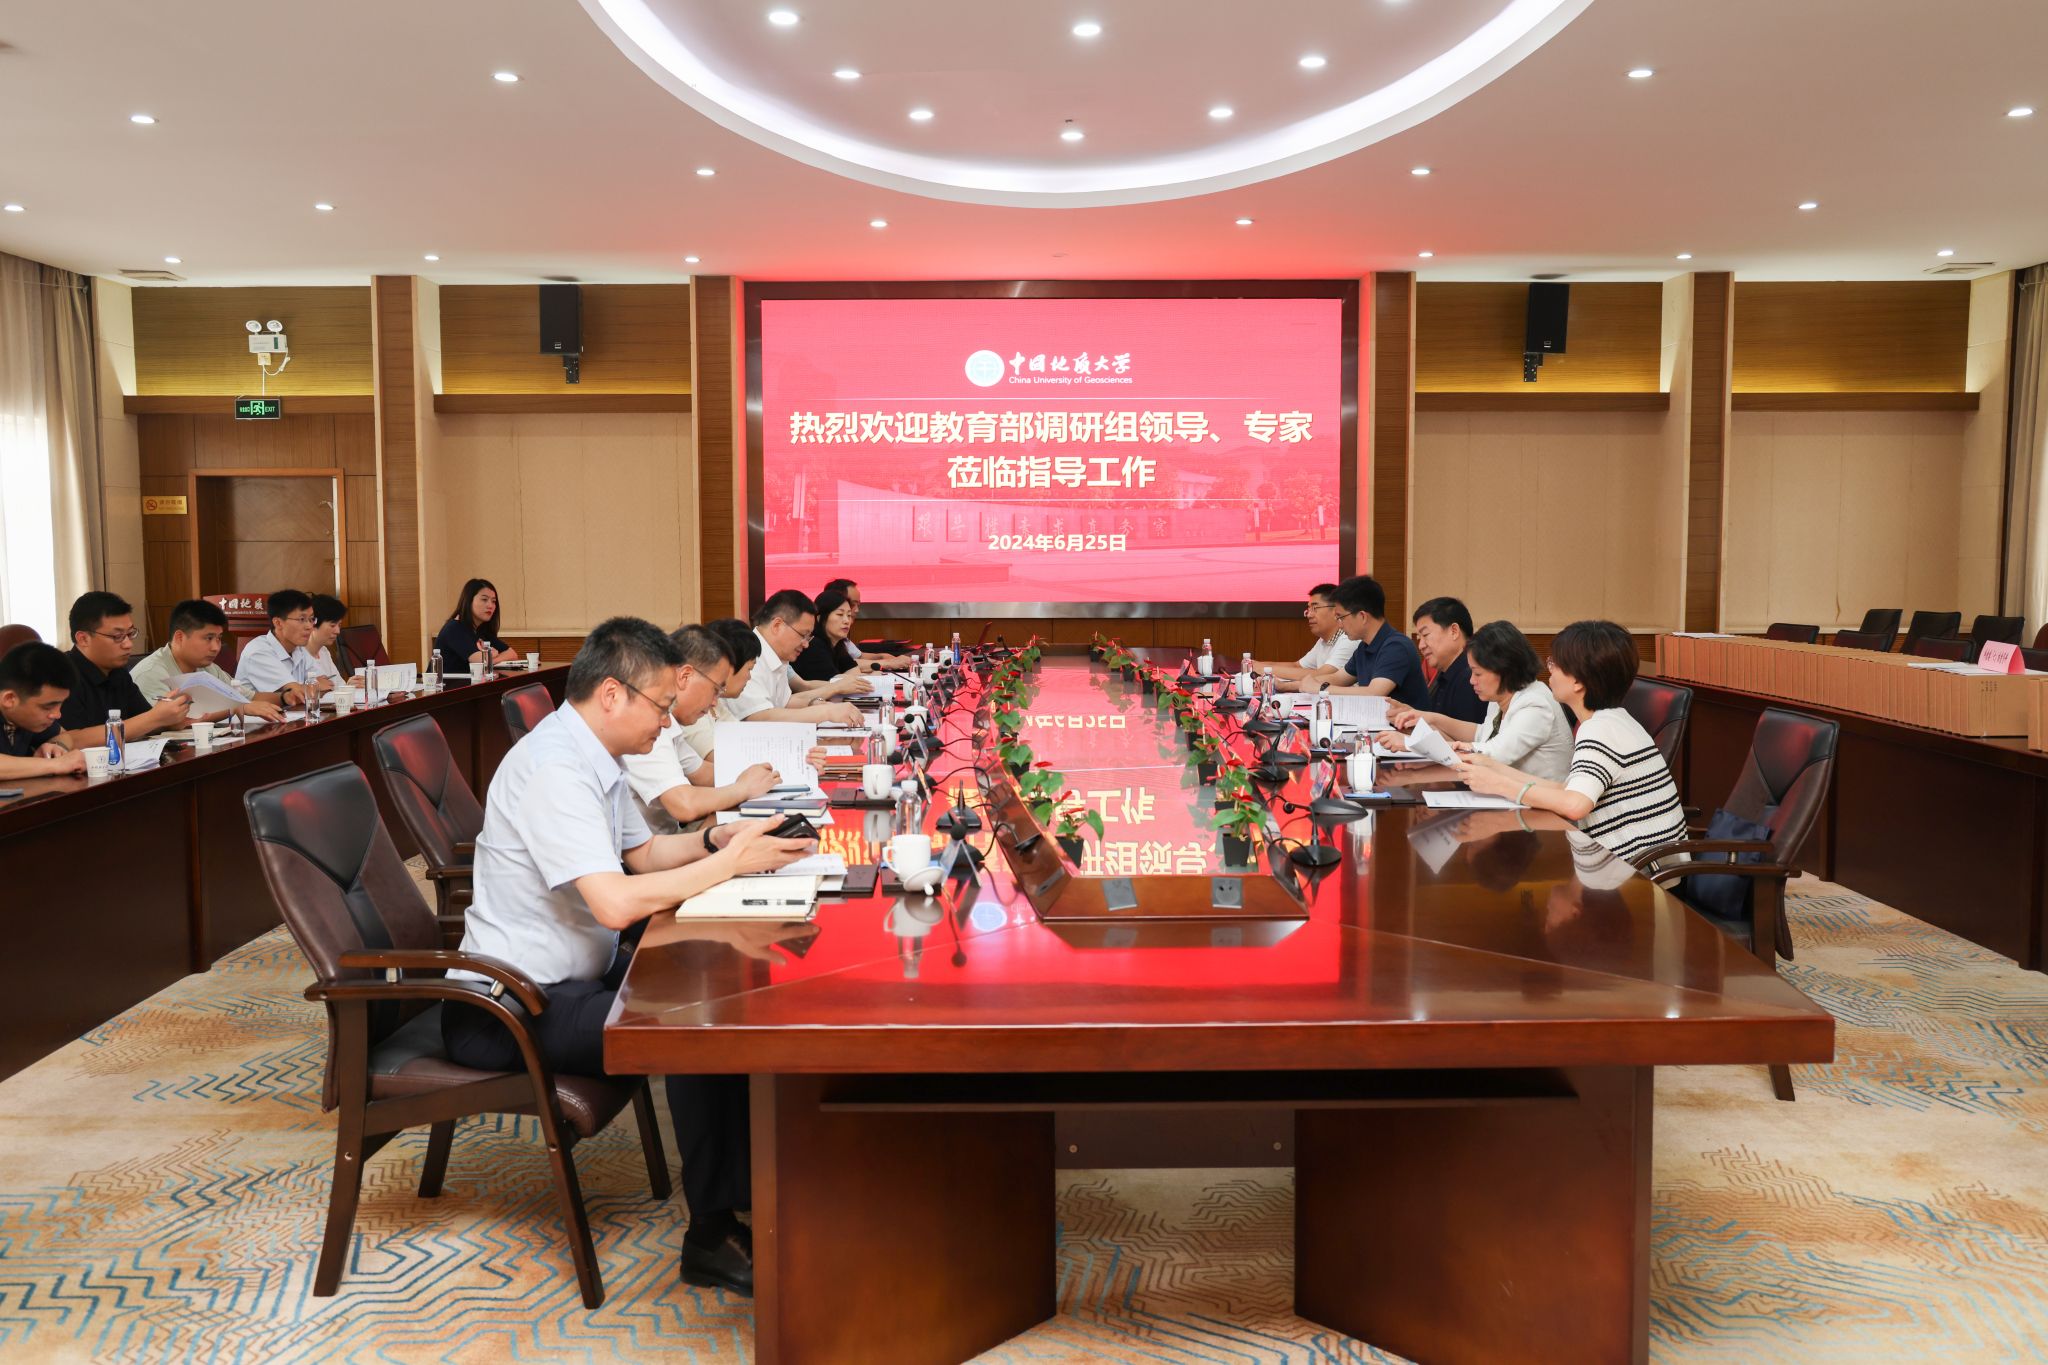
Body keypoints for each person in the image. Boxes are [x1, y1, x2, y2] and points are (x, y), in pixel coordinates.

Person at [441, 616, 817, 1295]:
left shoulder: (593, 754)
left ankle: (748, 1188)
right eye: (661, 706)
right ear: (612, 694)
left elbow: (642, 854)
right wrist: (729, 864)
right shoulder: (555, 768)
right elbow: (615, 903)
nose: (667, 723)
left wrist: (718, 840)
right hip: (507, 1005)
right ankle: (710, 1237)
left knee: (721, 977)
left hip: (571, 974)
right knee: (695, 1027)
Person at [1459, 619, 1687, 869]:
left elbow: (1574, 806)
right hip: (1634, 867)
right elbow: (1566, 790)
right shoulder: (1614, 721)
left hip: (1640, 876)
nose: (1549, 670)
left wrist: (1500, 784)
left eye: (1555, 664)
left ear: (1578, 681)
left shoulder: (1598, 730)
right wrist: (1491, 767)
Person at [622, 624, 779, 834]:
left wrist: (769, 774)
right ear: (685, 676)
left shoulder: (667, 719)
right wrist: (743, 789)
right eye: (715, 689)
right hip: (652, 849)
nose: (715, 702)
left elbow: (702, 774)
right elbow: (684, 805)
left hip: (666, 840)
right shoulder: (645, 720)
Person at [1384, 620, 1573, 781]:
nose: (1472, 680)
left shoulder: (1535, 704)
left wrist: (1411, 743)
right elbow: (1482, 734)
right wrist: (1429, 718)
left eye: (1477, 673)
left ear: (1504, 670)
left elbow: (1491, 754)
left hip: (1543, 808)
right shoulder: (1502, 695)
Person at [58, 591, 191, 746]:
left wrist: (169, 718)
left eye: (130, 634)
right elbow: (69, 740)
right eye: (117, 636)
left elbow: (142, 720)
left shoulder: (118, 672)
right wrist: (155, 718)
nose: (128, 644)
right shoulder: (61, 674)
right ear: (83, 639)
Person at [1283, 575, 1429, 708]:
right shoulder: (1364, 647)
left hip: (1406, 727)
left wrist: (1320, 689)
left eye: (1341, 617)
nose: (1339, 624)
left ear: (1362, 616)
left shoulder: (1396, 646)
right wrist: (1292, 685)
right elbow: (1338, 678)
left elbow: (1374, 693)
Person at [131, 599, 290, 721]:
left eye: (219, 638)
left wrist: (285, 697)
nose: (216, 647)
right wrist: (237, 707)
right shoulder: (151, 673)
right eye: (208, 638)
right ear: (179, 637)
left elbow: (248, 698)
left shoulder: (208, 667)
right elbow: (173, 722)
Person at [729, 590, 865, 724]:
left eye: (808, 637)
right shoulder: (747, 653)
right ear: (777, 626)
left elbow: (784, 702)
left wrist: (817, 704)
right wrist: (825, 713)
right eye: (803, 635)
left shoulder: (777, 655)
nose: (806, 644)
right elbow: (758, 716)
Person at [234, 589, 342, 696]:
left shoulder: (299, 649)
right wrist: (311, 687)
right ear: (278, 623)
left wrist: (309, 687)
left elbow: (327, 685)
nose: (309, 626)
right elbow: (292, 694)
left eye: (311, 619)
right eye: (302, 619)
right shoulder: (258, 651)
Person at [0, 642, 85, 778]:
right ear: (10, 699)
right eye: (48, 707)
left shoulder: (27, 719)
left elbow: (64, 735)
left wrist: (56, 746)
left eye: (60, 704)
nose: (57, 714)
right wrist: (56, 764)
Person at [1248, 583, 1356, 681]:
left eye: (1315, 608)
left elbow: (1322, 675)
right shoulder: (1323, 640)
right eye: (1308, 609)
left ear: (1336, 610)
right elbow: (1298, 666)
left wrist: (1264, 669)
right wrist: (1257, 664)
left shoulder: (1349, 639)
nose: (1309, 615)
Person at [1409, 597, 1488, 725]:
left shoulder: (1471, 677)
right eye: (1419, 638)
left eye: (1426, 635)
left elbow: (1469, 735)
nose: (1421, 645)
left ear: (1454, 631)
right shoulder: (1444, 673)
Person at [820, 578, 913, 669]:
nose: (856, 610)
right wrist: (887, 663)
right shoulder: (818, 643)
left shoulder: (839, 640)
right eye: (852, 604)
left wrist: (882, 657)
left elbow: (856, 658)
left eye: (858, 605)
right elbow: (846, 665)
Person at [435, 577, 519, 671]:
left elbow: (512, 654)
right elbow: (479, 661)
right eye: (484, 599)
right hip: (445, 681)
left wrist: (491, 659)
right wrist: (493, 655)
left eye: (493, 601)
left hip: (472, 680)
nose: (490, 605)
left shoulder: (481, 629)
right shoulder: (454, 628)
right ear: (469, 601)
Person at [791, 587, 869, 682]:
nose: (847, 621)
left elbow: (853, 671)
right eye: (840, 614)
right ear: (820, 618)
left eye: (849, 615)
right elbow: (834, 683)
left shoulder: (838, 645)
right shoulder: (814, 645)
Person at [309, 594, 347, 677]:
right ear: (313, 623)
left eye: (339, 625)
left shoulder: (323, 651)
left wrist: (349, 684)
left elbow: (336, 682)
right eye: (332, 625)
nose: (338, 631)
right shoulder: (297, 656)